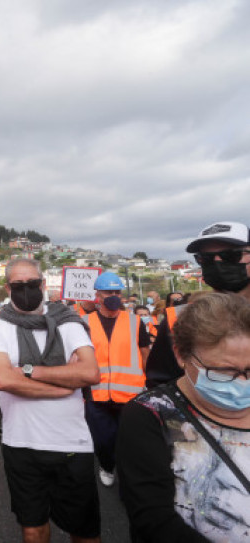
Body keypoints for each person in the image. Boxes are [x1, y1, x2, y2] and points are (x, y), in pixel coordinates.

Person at [0, 258, 102, 543]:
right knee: (32, 529)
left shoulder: (68, 321)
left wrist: (28, 370)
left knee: (84, 531)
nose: (26, 290)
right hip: (21, 443)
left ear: (43, 284)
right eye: (18, 285)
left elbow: (90, 372)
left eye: (32, 284)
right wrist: (64, 386)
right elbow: (3, 380)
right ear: (7, 288)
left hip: (71, 443)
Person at [117, 293, 250, 542]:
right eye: (224, 371)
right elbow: (153, 519)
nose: (242, 382)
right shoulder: (150, 415)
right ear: (181, 355)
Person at [145, 221, 250, 389]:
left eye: (231, 255)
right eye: (206, 258)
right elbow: (161, 387)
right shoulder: (178, 319)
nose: (217, 263)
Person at [83, 271, 149, 487]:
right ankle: (106, 465)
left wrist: (149, 381)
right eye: (108, 292)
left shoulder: (135, 322)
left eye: (117, 292)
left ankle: (128, 473)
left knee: (129, 440)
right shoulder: (84, 322)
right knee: (102, 439)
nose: (113, 295)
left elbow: (144, 352)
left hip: (130, 393)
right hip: (96, 392)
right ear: (98, 295)